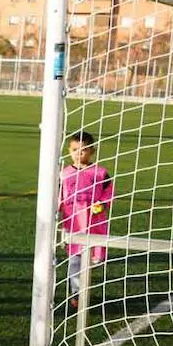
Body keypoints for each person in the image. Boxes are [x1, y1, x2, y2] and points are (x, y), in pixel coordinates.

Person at [59, 131, 114, 309]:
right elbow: (59, 196)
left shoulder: (100, 173)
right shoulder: (64, 174)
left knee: (94, 260)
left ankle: (82, 287)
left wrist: (103, 205)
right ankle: (76, 293)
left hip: (94, 224)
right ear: (69, 150)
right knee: (75, 259)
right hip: (73, 224)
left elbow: (109, 193)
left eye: (83, 150)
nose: (78, 153)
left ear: (92, 151)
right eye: (75, 149)